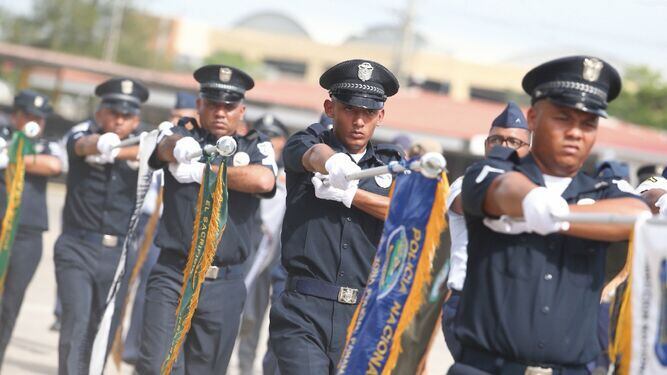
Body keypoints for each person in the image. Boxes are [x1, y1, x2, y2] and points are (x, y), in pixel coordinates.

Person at [450, 56, 649, 374]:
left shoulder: (603, 190)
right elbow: (500, 189)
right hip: (489, 367)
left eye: (588, 124)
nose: (575, 133)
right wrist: (537, 204)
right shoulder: (489, 172)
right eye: (563, 119)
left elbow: (637, 215)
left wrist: (561, 217)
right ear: (532, 117)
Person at [136, 64, 277, 375]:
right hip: (175, 273)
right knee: (155, 366)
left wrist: (204, 171)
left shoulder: (256, 145)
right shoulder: (182, 133)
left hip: (223, 281)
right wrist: (183, 148)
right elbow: (164, 145)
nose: (220, 112)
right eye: (213, 104)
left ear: (241, 109)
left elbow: (264, 181)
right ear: (199, 105)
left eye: (229, 106)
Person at [269, 59, 403, 374]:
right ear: (331, 109)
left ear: (380, 116)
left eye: (369, 113)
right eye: (350, 110)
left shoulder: (390, 164)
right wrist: (334, 165)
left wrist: (352, 194)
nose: (359, 121)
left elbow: (405, 215)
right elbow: (312, 154)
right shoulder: (306, 144)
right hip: (303, 310)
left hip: (362, 315)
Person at [54, 77, 148, 374]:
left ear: (136, 119)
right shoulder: (83, 132)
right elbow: (82, 146)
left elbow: (157, 152)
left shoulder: (144, 142)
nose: (119, 121)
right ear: (100, 113)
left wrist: (118, 150)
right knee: (77, 321)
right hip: (77, 247)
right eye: (114, 113)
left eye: (127, 116)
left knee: (104, 327)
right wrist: (103, 144)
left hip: (118, 252)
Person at [442, 101, 531, 360]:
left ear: (528, 149)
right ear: (486, 145)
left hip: (517, 305)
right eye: (496, 140)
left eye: (514, 142)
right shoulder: (466, 181)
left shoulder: (536, 187)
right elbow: (474, 202)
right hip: (469, 302)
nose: (504, 147)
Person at [0, 90, 62, 368]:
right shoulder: (3, 134)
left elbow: (53, 165)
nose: (35, 122)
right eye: (29, 116)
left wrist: (14, 158)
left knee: (9, 305)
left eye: (40, 117)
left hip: (28, 234)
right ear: (16, 115)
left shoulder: (47, 144)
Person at [237, 114, 289, 375]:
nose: (270, 142)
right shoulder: (246, 164)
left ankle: (246, 368)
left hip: (277, 253)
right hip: (250, 246)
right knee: (242, 312)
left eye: (275, 136)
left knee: (257, 318)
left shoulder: (292, 172)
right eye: (264, 135)